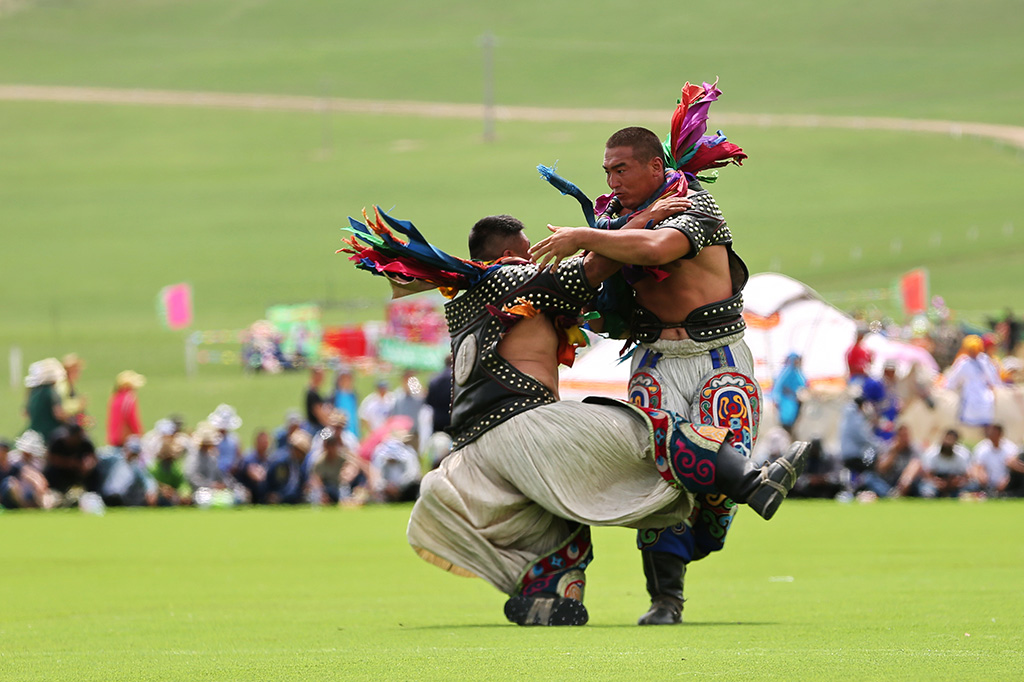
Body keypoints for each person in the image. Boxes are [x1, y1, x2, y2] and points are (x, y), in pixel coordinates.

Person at [343, 209, 807, 626]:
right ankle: (753, 484)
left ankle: (547, 595)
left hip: (476, 453)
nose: (539, 257)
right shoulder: (505, 280)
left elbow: (589, 307)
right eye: (531, 251)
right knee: (653, 431)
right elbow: (591, 269)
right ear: (508, 255)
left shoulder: (465, 298)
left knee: (558, 528)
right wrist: (644, 218)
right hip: (522, 426)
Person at [530, 123, 761, 625]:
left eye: (622, 169)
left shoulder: (695, 206)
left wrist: (586, 235)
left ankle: (740, 497)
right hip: (654, 358)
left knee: (716, 486)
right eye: (607, 171)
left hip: (716, 357)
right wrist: (621, 227)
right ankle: (666, 601)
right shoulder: (617, 216)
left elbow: (656, 250)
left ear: (656, 166)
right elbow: (594, 269)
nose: (612, 180)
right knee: (662, 476)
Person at [945, 335, 1001, 430]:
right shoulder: (965, 362)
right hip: (973, 390)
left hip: (980, 392)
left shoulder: (983, 360)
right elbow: (953, 379)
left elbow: (992, 378)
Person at [898, 429, 973, 498]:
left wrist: (957, 482)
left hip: (955, 486)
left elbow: (966, 475)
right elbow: (926, 473)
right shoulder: (932, 453)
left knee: (969, 489)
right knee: (927, 492)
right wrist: (936, 482)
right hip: (934, 483)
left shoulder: (962, 455)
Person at [43, 423, 100, 497]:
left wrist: (88, 466)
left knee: (95, 472)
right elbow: (51, 458)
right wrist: (69, 463)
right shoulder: (58, 441)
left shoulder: (85, 442)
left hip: (79, 470)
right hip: (61, 469)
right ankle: (54, 493)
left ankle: (93, 494)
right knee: (51, 471)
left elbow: (93, 458)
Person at [24, 358, 68, 442]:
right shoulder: (52, 393)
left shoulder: (34, 392)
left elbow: (26, 413)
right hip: (50, 435)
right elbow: (58, 414)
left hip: (34, 433)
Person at [265, 429, 312, 505]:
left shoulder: (303, 464)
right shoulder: (280, 462)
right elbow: (272, 482)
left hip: (294, 497)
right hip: (279, 495)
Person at [970, 424, 1020, 496]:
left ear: (1000, 433)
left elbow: (1013, 467)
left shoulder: (1010, 448)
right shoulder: (982, 447)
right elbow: (977, 466)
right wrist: (981, 476)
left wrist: (1006, 480)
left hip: (1006, 483)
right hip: (986, 484)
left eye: (994, 432)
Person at [106, 370, 145, 448]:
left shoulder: (115, 397)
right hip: (125, 440)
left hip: (115, 438)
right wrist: (139, 434)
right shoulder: (128, 398)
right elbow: (132, 419)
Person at [772, 353, 807, 436]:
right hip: (786, 401)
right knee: (786, 420)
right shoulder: (785, 373)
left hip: (795, 400)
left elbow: (803, 385)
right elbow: (778, 388)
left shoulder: (798, 373)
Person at [235, 430, 274, 504]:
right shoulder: (248, 458)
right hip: (249, 491)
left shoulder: (270, 459)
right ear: (256, 442)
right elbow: (255, 476)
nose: (264, 445)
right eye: (262, 442)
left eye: (266, 442)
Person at [207, 404, 243, 475]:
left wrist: (234, 466)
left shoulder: (234, 439)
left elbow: (239, 455)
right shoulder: (212, 439)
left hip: (232, 472)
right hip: (215, 472)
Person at [330, 368, 361, 440]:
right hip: (339, 431)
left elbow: (355, 415)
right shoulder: (333, 395)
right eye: (343, 378)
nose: (346, 381)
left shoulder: (353, 395)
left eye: (348, 378)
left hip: (353, 432)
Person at [304, 365, 329, 433]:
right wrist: (330, 425)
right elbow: (318, 412)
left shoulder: (315, 392)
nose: (321, 378)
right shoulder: (312, 393)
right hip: (316, 428)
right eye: (319, 376)